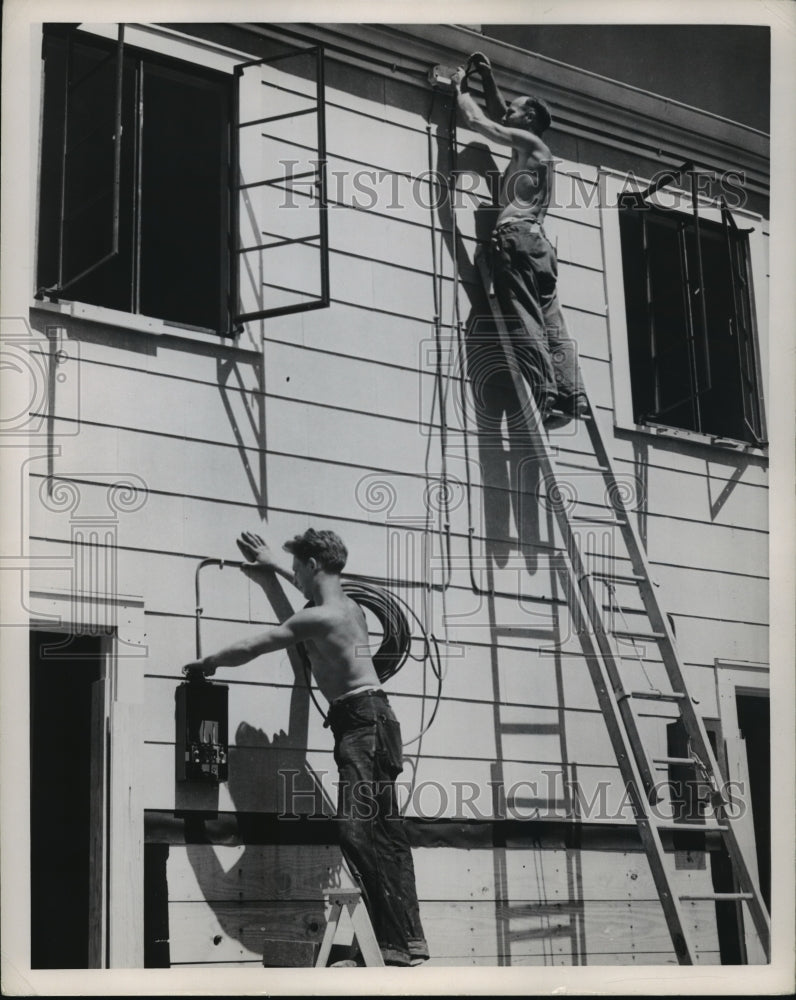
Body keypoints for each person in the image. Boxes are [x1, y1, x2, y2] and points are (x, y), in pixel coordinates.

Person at [182, 528, 429, 968]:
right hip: (374, 721)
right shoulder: (349, 608)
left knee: (357, 832)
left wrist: (208, 662)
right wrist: (273, 566)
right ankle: (405, 941)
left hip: (362, 724)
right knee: (387, 834)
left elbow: (256, 645)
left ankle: (391, 946)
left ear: (313, 565)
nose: (294, 574)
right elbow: (309, 592)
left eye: (298, 567)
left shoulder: (322, 618)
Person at [453, 52, 588, 424]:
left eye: (515, 109)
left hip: (515, 240)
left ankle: (544, 393)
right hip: (539, 246)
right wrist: (488, 77)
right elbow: (500, 114)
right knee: (551, 322)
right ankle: (572, 396)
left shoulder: (529, 145)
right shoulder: (534, 149)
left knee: (525, 319)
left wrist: (460, 87)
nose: (507, 111)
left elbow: (480, 120)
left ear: (529, 118)